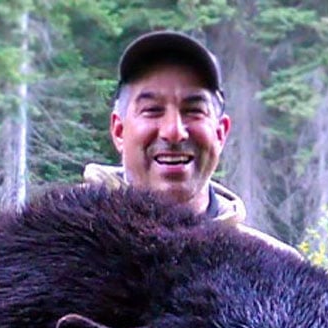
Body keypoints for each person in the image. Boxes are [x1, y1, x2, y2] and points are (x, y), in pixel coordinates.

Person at [83, 30, 291, 250]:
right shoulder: (63, 246)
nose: (174, 132)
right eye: (152, 110)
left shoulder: (278, 269)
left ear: (220, 134)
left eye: (193, 110)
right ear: (118, 131)